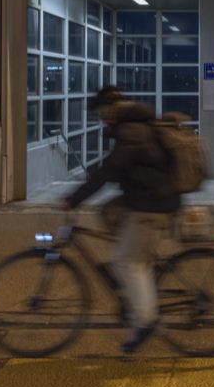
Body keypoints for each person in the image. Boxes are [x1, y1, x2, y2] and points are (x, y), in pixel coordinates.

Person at [65, 86, 181, 353]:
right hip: (149, 200)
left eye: (101, 114)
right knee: (109, 215)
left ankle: (146, 321)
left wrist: (73, 199)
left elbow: (109, 171)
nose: (101, 120)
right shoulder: (135, 127)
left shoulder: (131, 132)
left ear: (110, 110)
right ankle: (141, 290)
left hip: (152, 206)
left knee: (125, 260)